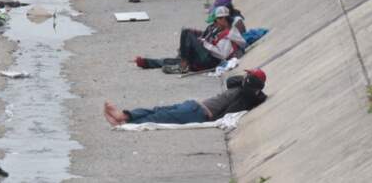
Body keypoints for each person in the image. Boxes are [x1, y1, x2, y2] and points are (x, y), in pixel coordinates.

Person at [103, 68, 267, 126]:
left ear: (250, 81)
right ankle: (124, 116)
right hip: (194, 107)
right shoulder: (241, 87)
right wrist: (248, 82)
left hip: (199, 113)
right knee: (158, 110)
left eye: (248, 77)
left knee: (160, 116)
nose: (243, 78)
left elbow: (228, 113)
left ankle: (124, 122)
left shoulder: (245, 96)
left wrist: (213, 119)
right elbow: (232, 80)